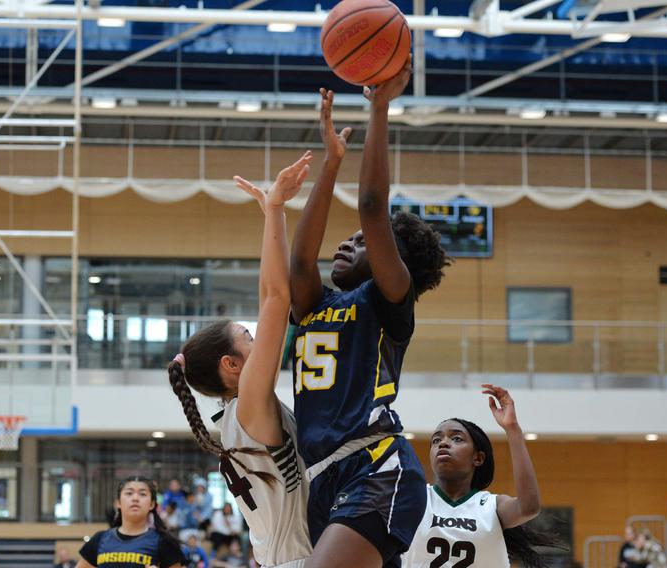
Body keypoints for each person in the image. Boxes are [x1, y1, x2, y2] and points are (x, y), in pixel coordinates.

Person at [288, 68, 450, 568]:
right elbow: (297, 262)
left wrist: (379, 108)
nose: (347, 242)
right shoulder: (317, 306)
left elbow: (374, 205)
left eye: (361, 241)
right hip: (323, 477)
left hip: (376, 466)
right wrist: (330, 164)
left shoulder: (389, 299)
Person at [167, 151, 314, 568]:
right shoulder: (249, 401)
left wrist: (273, 212)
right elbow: (275, 297)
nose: (257, 337)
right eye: (247, 337)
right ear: (231, 365)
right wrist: (275, 210)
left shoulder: (235, 418)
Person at [403, 385, 555, 568]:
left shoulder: (491, 506)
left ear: (478, 458)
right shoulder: (414, 498)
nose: (443, 443)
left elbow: (529, 507)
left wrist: (512, 429)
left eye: (456, 438)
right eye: (436, 440)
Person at [78, 476, 184, 568]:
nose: (135, 498)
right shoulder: (100, 539)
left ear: (152, 504)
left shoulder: (163, 542)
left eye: (142, 494)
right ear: (118, 503)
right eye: (129, 493)